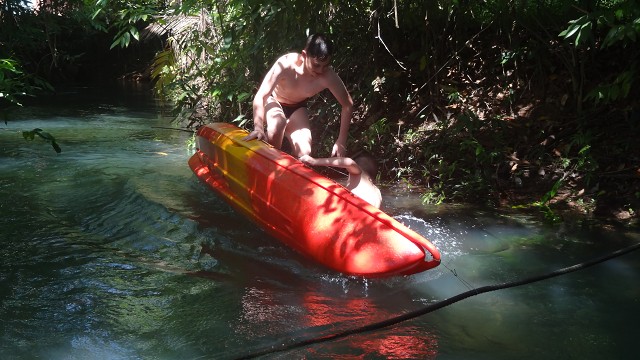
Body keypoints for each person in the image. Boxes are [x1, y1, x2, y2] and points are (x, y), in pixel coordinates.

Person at [244, 33, 354, 158]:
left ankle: (287, 171)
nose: (320, 71)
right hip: (273, 100)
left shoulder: (328, 76)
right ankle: (267, 161)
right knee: (277, 125)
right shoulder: (286, 64)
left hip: (297, 107)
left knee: (304, 153)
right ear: (304, 55)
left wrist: (341, 141)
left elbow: (347, 105)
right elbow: (261, 95)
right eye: (316, 65)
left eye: (325, 66)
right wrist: (258, 128)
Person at [299, 152, 382, 209]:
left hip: (356, 209)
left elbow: (349, 162)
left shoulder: (359, 173)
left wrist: (314, 161)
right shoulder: (377, 192)